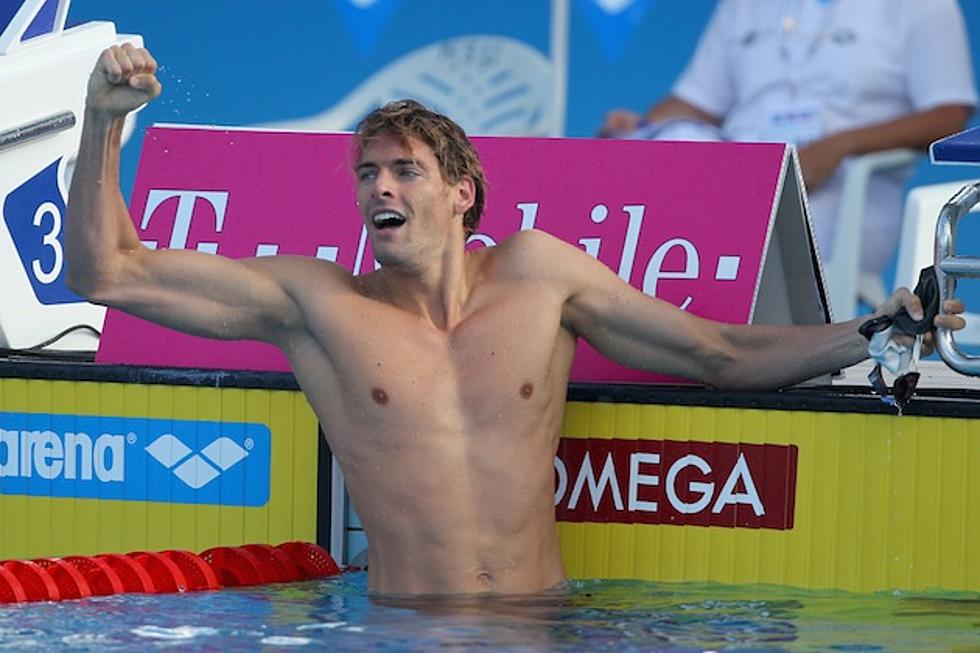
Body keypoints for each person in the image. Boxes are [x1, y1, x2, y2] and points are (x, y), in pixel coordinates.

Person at [67, 44, 965, 597]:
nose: (380, 186)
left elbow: (719, 354)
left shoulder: (540, 277)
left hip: (544, 624)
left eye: (405, 170)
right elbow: (108, 271)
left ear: (462, 193)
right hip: (402, 630)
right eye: (367, 172)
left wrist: (870, 330)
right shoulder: (320, 306)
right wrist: (103, 124)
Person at [600, 0, 977, 304]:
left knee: (742, 236)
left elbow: (948, 114)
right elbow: (698, 101)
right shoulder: (743, 6)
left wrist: (841, 144)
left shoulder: (923, 6)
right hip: (739, 170)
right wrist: (642, 127)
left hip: (840, 189)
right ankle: (648, 312)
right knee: (675, 139)